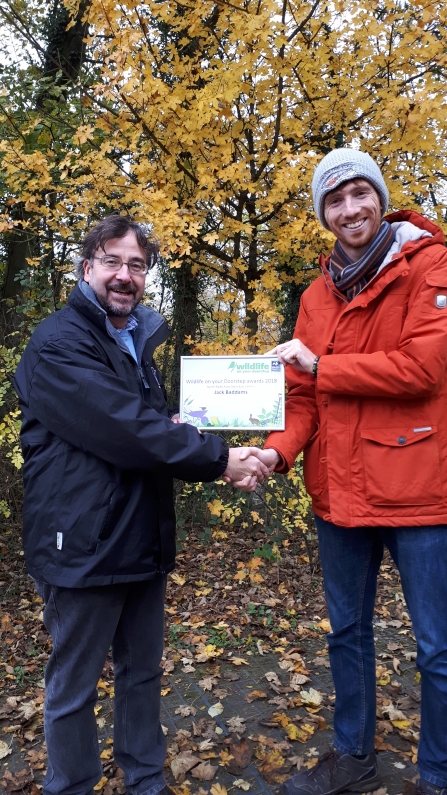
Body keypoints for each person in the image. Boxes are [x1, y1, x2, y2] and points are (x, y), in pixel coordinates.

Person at [14, 215, 269, 795]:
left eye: (136, 264)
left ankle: (146, 783)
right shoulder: (59, 342)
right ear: (87, 268)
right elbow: (121, 429)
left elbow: (143, 426)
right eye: (112, 261)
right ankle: (71, 786)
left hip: (138, 538)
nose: (125, 275)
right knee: (73, 689)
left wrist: (195, 434)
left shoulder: (132, 342)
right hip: (81, 544)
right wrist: (217, 459)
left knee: (142, 675)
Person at [246, 149, 447, 795]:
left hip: (419, 493)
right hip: (338, 494)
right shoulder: (314, 294)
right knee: (347, 634)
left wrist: (320, 366)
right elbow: (302, 400)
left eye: (359, 192)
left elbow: (423, 368)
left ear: (379, 197)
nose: (349, 208)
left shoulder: (431, 265)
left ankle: (437, 772)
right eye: (333, 200)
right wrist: (275, 452)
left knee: (437, 648)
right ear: (323, 214)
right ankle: (353, 755)